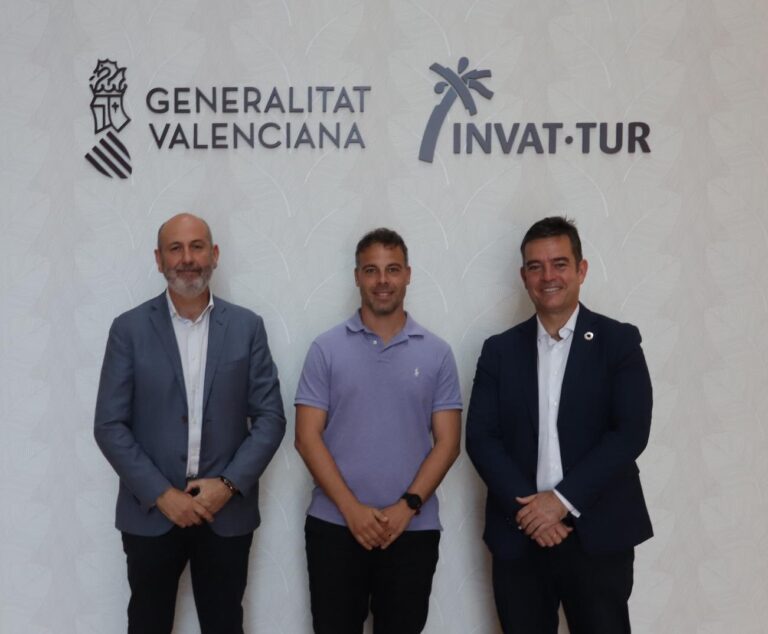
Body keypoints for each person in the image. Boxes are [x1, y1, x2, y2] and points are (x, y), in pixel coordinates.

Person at [94, 212, 285, 634]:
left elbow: (271, 418)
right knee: (147, 624)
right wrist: (162, 494)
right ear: (159, 259)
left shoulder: (247, 327)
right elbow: (109, 424)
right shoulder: (128, 329)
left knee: (224, 624)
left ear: (214, 255)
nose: (187, 258)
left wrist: (228, 485)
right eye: (175, 248)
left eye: (197, 247)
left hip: (226, 514)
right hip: (151, 513)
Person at [466, 216, 653, 634]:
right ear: (524, 276)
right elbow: (481, 438)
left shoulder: (619, 342)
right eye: (535, 266)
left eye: (559, 264)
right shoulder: (498, 351)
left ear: (581, 270)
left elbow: (630, 433)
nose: (548, 276)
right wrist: (532, 512)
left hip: (598, 534)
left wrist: (561, 502)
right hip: (519, 536)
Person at [294, 228, 462, 634]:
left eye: (392, 269)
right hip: (335, 526)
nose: (382, 280)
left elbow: (448, 442)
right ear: (357, 277)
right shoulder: (325, 348)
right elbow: (306, 437)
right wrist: (351, 510)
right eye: (371, 270)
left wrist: (406, 507)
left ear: (408, 275)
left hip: (413, 529)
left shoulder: (437, 353)